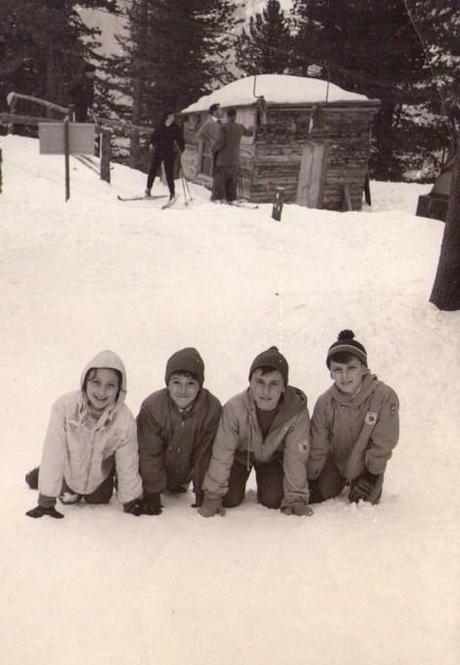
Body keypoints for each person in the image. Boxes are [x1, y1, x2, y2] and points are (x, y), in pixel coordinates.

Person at [25, 350, 143, 519]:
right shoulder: (64, 407)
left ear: (119, 389)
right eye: (96, 382)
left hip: (99, 477)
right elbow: (54, 452)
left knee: (98, 500)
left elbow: (128, 462)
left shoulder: (124, 419)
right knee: (67, 498)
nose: (102, 392)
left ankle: (98, 486)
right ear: (85, 382)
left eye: (110, 385)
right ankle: (43, 475)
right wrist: (46, 499)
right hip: (70, 470)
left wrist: (131, 500)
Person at [198, 347, 313, 518]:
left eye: (274, 384)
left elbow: (295, 456)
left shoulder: (295, 411)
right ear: (250, 383)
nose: (265, 392)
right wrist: (213, 495)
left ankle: (269, 483)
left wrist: (296, 497)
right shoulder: (234, 408)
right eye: (260, 382)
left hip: (273, 458)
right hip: (241, 456)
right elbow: (222, 452)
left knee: (274, 500)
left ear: (283, 387)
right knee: (229, 499)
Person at [308, 330, 400, 505]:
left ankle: (364, 479)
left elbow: (384, 441)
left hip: (365, 465)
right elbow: (318, 444)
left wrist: (372, 475)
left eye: (351, 368)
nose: (345, 376)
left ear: (364, 368)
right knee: (317, 495)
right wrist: (312, 477)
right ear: (330, 373)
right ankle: (334, 480)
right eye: (338, 370)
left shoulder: (383, 397)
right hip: (335, 461)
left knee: (362, 501)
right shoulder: (325, 402)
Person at [136, 348, 222, 515]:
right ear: (168, 383)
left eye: (190, 383)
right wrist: (152, 492)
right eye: (176, 382)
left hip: (182, 472)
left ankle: (177, 484)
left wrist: (202, 492)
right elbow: (149, 453)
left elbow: (205, 455)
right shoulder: (153, 407)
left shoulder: (211, 409)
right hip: (148, 472)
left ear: (199, 386)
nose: (183, 390)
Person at [212, 107, 253, 204]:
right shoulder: (240, 127)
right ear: (235, 116)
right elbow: (249, 133)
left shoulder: (224, 127)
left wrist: (213, 149)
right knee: (232, 181)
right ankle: (231, 199)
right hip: (235, 160)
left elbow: (220, 143)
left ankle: (221, 199)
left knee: (220, 181)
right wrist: (252, 128)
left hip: (223, 160)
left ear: (227, 116)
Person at [145, 110, 185, 200]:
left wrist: (181, 149)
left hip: (170, 152)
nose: (173, 118)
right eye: (171, 116)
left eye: (173, 116)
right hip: (159, 150)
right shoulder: (161, 126)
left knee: (169, 172)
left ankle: (172, 193)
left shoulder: (176, 128)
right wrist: (152, 143)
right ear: (167, 116)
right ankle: (148, 189)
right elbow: (154, 136)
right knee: (153, 170)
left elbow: (181, 140)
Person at [196, 102, 224, 200]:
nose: (221, 111)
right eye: (220, 110)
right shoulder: (209, 122)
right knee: (217, 171)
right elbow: (199, 135)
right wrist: (210, 141)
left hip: (222, 149)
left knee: (221, 171)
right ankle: (214, 195)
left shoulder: (219, 122)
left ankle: (219, 194)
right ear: (214, 111)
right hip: (216, 149)